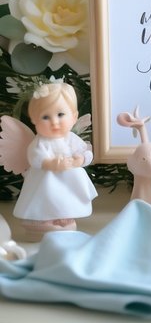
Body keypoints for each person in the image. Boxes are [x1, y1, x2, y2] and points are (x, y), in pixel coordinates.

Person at [14, 80, 97, 234]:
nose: (54, 122)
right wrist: (49, 163)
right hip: (46, 179)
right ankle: (44, 219)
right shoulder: (40, 142)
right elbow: (35, 157)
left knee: (67, 198)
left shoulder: (71, 138)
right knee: (48, 195)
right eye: (45, 117)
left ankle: (65, 217)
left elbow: (86, 151)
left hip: (69, 179)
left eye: (60, 114)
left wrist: (81, 159)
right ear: (34, 119)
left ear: (74, 117)